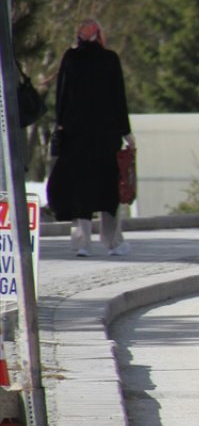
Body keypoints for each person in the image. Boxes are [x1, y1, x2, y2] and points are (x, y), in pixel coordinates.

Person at [46, 20, 135, 257]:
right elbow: (119, 100)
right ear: (98, 36)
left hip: (76, 138)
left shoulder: (70, 59)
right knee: (109, 191)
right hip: (106, 138)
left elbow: (61, 96)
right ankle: (113, 243)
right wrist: (127, 132)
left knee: (80, 190)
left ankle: (82, 243)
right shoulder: (110, 60)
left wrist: (61, 125)